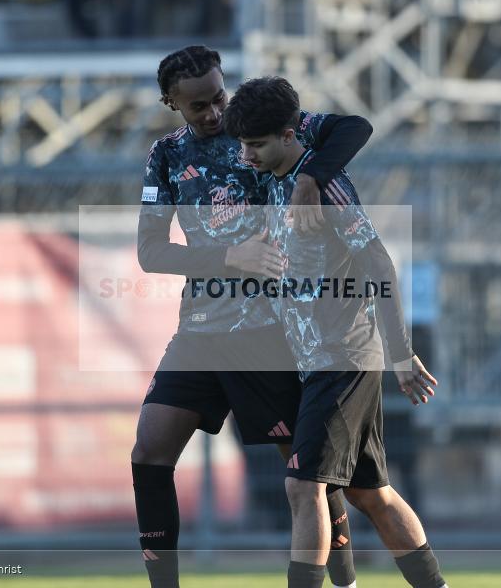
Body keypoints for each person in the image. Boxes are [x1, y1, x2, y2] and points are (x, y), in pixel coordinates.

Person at [132, 45, 374, 588]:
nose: (215, 113)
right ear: (171, 103)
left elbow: (353, 127)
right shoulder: (166, 155)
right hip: (199, 333)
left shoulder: (255, 125)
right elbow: (151, 253)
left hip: (271, 331)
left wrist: (310, 178)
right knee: (149, 450)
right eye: (198, 106)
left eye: (218, 96)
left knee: (311, 476)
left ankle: (344, 581)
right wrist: (227, 257)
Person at [223, 76, 447, 588]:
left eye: (255, 144)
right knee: (372, 495)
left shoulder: (325, 186)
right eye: (243, 144)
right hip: (315, 363)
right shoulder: (279, 174)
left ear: (288, 134)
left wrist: (400, 354)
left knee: (303, 488)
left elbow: (379, 264)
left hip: (343, 359)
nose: (246, 155)